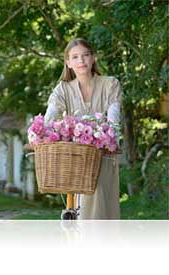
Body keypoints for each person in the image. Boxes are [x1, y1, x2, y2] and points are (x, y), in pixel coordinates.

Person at [44, 38, 121, 220]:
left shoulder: (110, 84)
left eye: (85, 55)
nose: (81, 61)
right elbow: (50, 116)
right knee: (77, 206)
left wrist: (109, 136)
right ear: (68, 63)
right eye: (75, 57)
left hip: (103, 154)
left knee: (100, 204)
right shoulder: (63, 89)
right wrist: (41, 133)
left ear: (93, 58)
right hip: (76, 159)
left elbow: (113, 118)